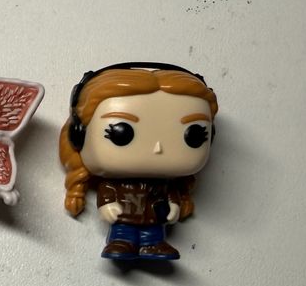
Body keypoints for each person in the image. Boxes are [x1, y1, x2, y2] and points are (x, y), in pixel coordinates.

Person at [59, 64, 218, 260]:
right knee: (123, 233)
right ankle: (121, 243)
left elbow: (171, 195)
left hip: (153, 215)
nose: (158, 148)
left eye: (194, 135)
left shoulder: (165, 184)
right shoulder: (113, 182)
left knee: (153, 233)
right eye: (121, 132)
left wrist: (174, 206)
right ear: (79, 135)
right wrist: (106, 205)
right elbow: (107, 192)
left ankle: (153, 244)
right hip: (125, 215)